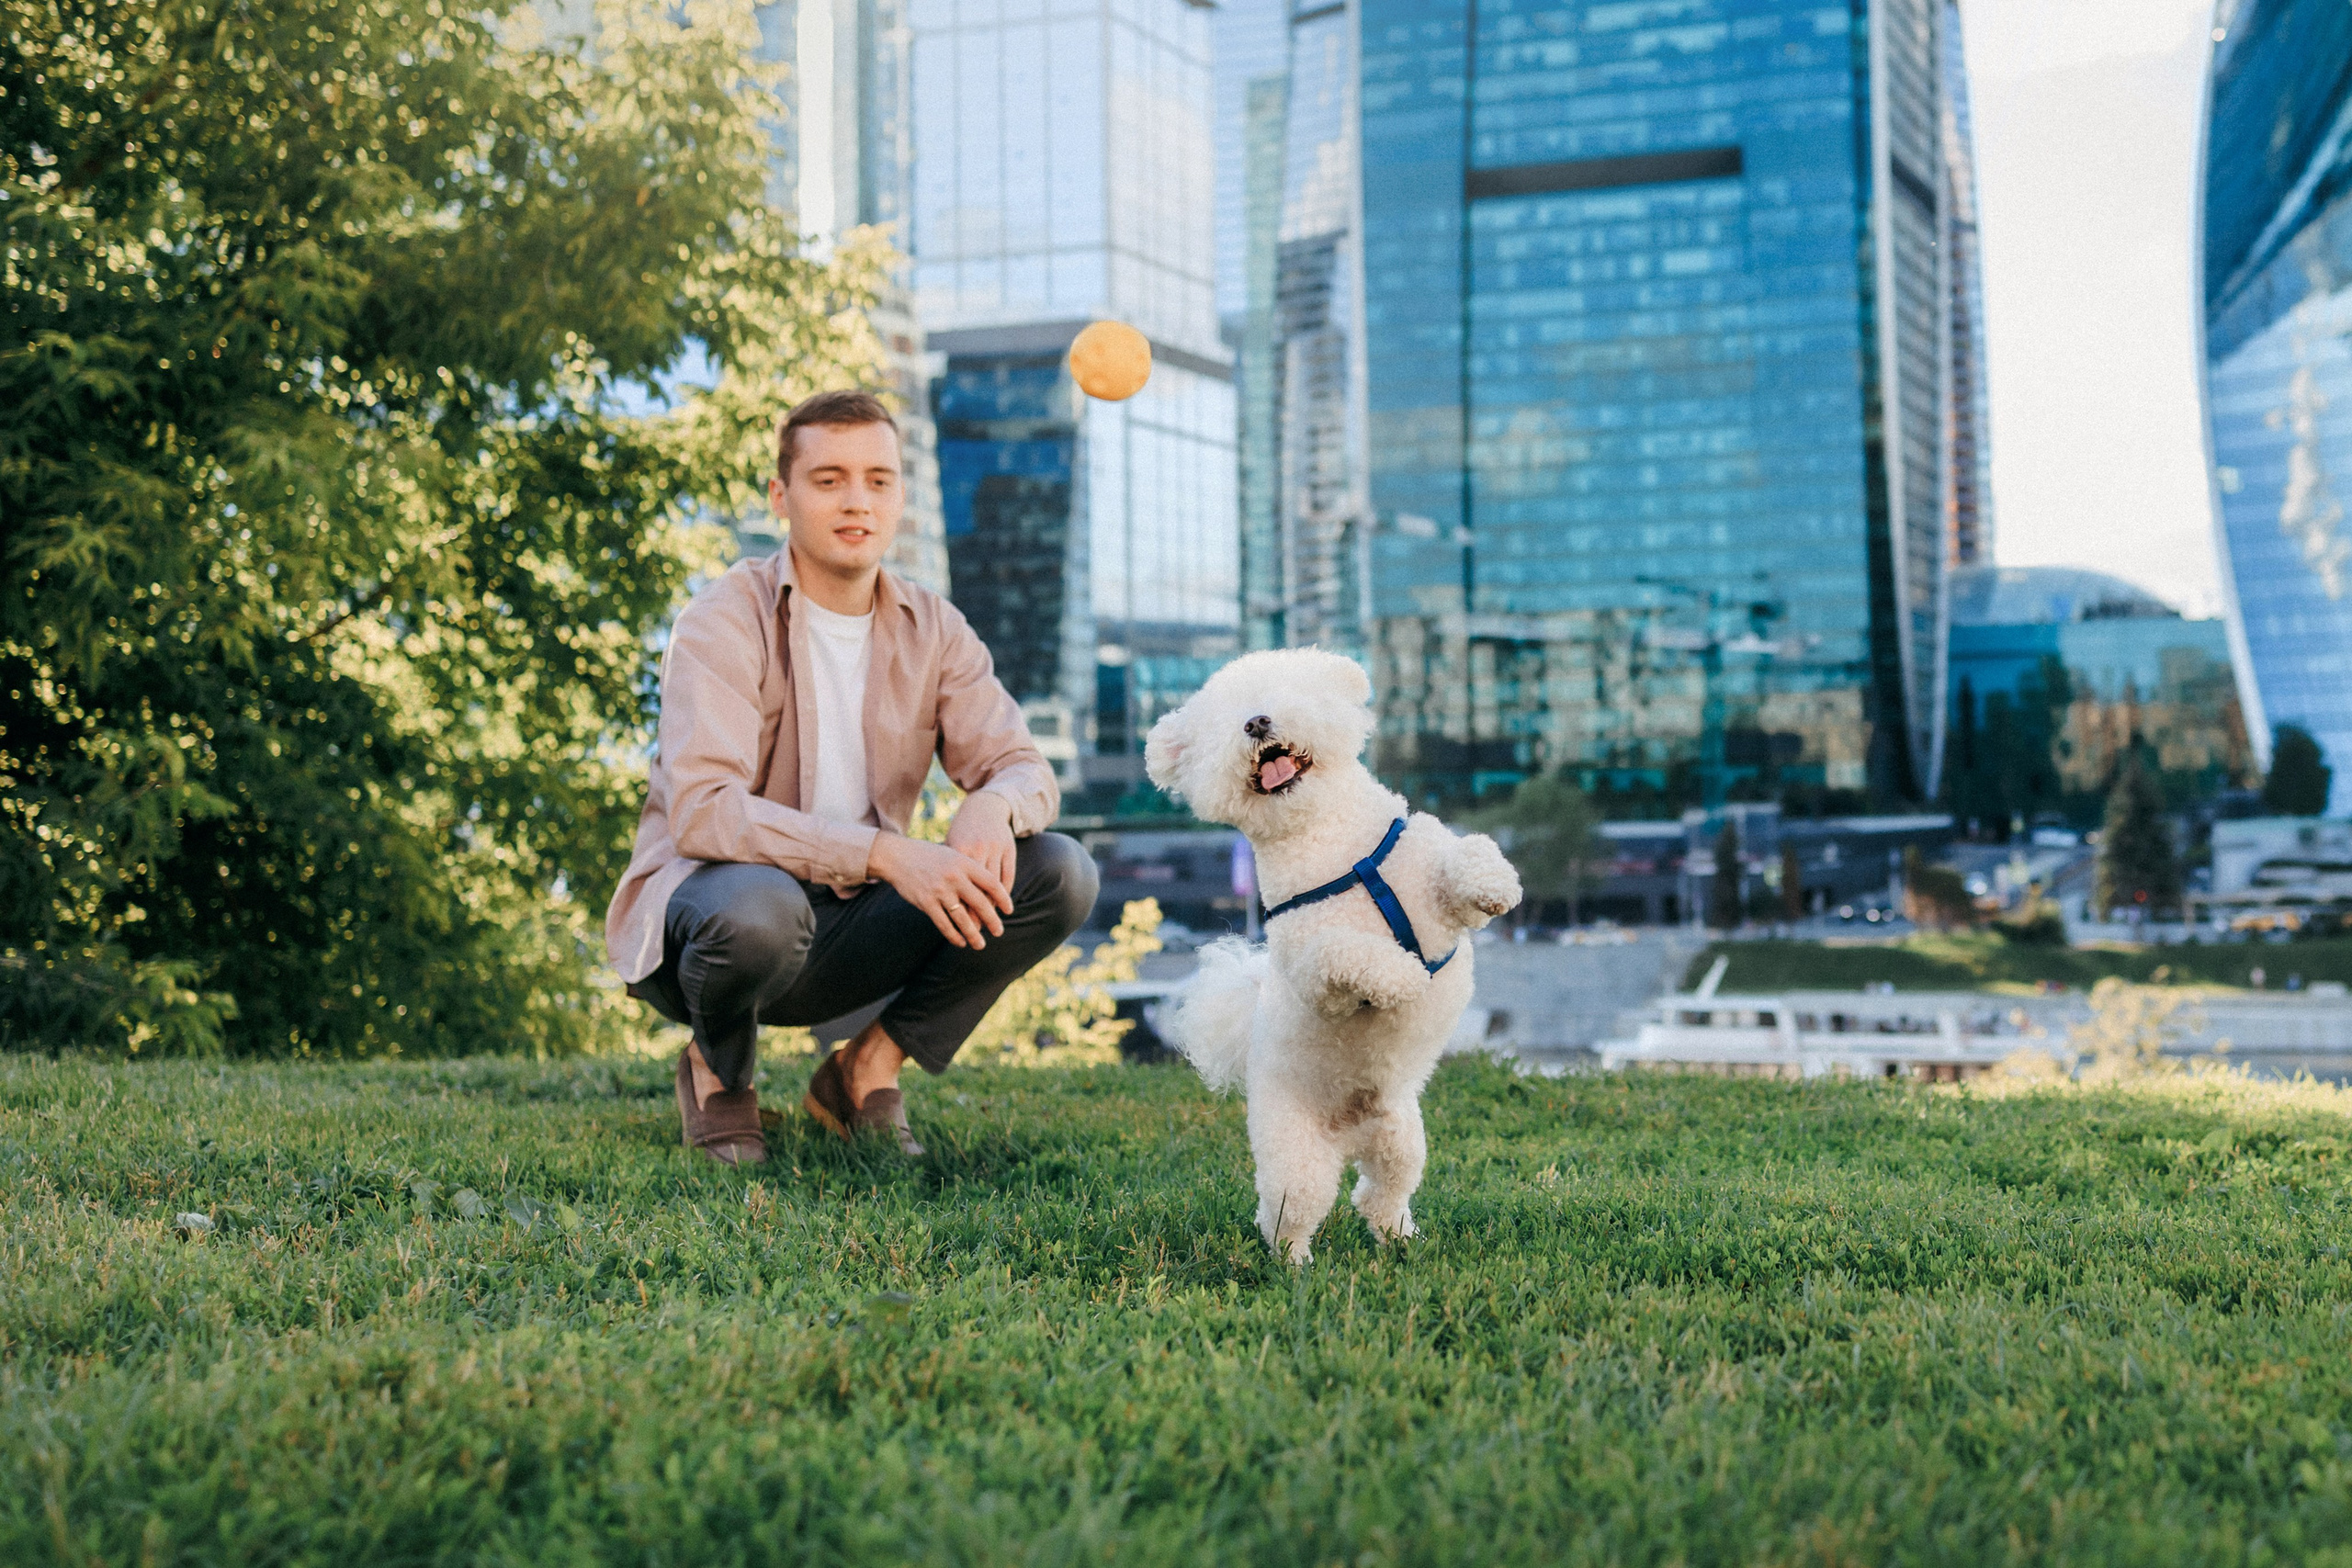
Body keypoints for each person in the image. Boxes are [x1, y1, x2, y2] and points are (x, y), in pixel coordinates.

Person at [605, 389, 1097, 1163]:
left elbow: (1023, 766)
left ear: (901, 495)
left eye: (878, 479)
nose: (856, 500)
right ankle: (719, 1070)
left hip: (848, 932)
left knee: (1060, 871)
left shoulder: (933, 628)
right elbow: (703, 813)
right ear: (782, 496)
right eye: (828, 479)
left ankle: (864, 1068)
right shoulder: (723, 618)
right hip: (717, 927)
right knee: (759, 906)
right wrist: (888, 854)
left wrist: (996, 805)